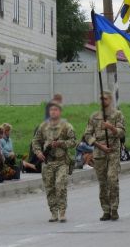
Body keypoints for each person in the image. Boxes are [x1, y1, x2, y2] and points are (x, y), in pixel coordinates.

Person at [32, 102, 77, 223]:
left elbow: (73, 142)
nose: (53, 112)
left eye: (56, 110)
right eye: (51, 110)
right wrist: (38, 152)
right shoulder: (43, 126)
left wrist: (61, 143)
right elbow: (35, 141)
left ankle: (62, 212)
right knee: (50, 188)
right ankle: (53, 212)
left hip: (61, 162)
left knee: (60, 185)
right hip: (47, 162)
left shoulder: (66, 126)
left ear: (60, 112)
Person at [83, 91, 125, 221]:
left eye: (105, 98)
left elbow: (122, 133)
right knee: (103, 183)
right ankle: (106, 210)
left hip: (112, 151)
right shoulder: (94, 116)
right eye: (101, 98)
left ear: (110, 99)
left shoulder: (117, 115)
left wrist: (111, 128)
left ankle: (114, 208)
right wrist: (98, 145)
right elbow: (87, 135)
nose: (103, 100)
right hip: (99, 152)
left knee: (112, 179)